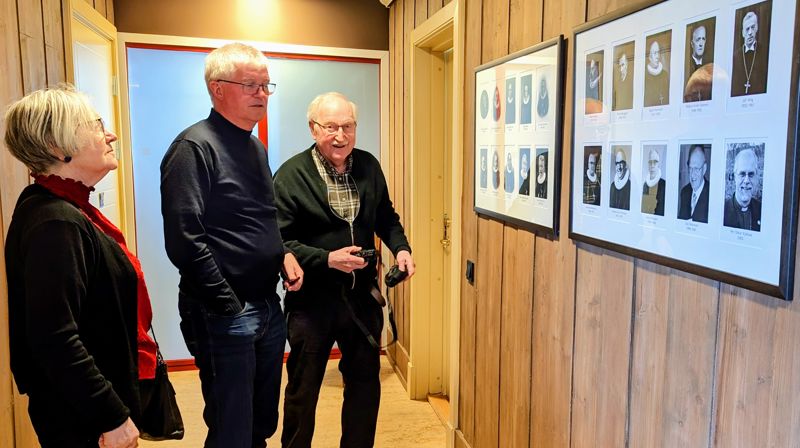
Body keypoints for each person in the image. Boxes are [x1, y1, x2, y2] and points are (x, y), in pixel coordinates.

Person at [160, 42, 303, 448]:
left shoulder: (254, 145)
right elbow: (185, 240)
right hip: (223, 309)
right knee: (231, 427)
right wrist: (226, 303)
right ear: (217, 88)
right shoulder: (193, 149)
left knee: (261, 422)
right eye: (251, 85)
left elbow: (258, 218)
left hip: (265, 304)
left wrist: (283, 256)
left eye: (265, 85)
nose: (262, 94)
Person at [4, 85, 157, 447]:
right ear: (58, 147)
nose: (111, 133)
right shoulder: (55, 221)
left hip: (85, 406)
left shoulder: (63, 207)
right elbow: (55, 338)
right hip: (82, 417)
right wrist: (112, 416)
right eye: (97, 124)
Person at [273, 92, 415, 448]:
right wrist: (326, 259)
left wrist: (401, 249)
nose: (340, 136)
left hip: (361, 299)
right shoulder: (291, 174)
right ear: (313, 129)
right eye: (331, 127)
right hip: (311, 303)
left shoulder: (368, 165)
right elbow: (279, 241)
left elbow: (386, 217)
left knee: (366, 385)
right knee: (303, 391)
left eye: (348, 126)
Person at [731, 11, 769, 96]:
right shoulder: (735, 56)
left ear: (757, 28)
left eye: (753, 27)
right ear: (743, 33)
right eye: (747, 29)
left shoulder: (765, 52)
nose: (750, 32)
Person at [724, 148, 761, 231]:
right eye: (742, 174)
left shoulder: (762, 210)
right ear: (734, 177)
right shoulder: (722, 211)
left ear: (756, 177)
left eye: (751, 174)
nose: (746, 181)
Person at [678, 145, 710, 222]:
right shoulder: (684, 192)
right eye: (690, 168)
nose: (692, 174)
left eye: (696, 168)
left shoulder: (711, 194)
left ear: (704, 169)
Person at [685, 23, 713, 102]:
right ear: (692, 44)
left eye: (703, 39)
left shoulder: (709, 67)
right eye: (698, 39)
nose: (701, 44)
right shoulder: (686, 67)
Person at [644, 40, 670, 106]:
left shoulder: (664, 74)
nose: (658, 56)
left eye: (658, 52)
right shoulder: (643, 76)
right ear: (649, 56)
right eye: (655, 53)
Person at [641, 148, 666, 216]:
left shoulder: (664, 185)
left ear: (659, 164)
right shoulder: (645, 185)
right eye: (650, 162)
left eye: (655, 162)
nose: (652, 165)